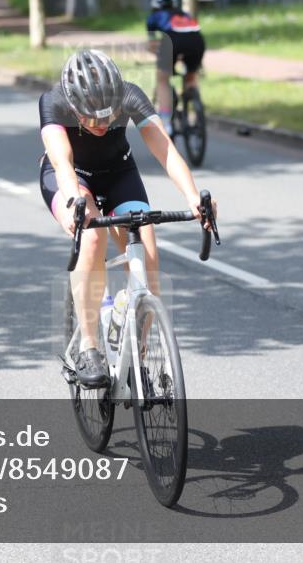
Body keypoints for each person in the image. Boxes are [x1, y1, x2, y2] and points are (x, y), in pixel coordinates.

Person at [39, 49, 217, 387]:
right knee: (92, 235)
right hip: (73, 177)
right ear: (74, 105)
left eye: (108, 117)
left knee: (148, 254)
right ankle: (89, 347)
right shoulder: (54, 101)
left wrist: (194, 197)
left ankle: (140, 354)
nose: (102, 125)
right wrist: (78, 202)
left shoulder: (130, 94)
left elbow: (165, 148)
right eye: (92, 118)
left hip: (119, 173)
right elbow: (62, 162)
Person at [145, 0, 206, 136]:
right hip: (197, 41)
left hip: (172, 42)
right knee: (191, 75)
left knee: (162, 80)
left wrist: (161, 57)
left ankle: (166, 123)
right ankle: (193, 104)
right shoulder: (185, 15)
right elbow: (186, 35)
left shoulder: (154, 17)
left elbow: (153, 44)